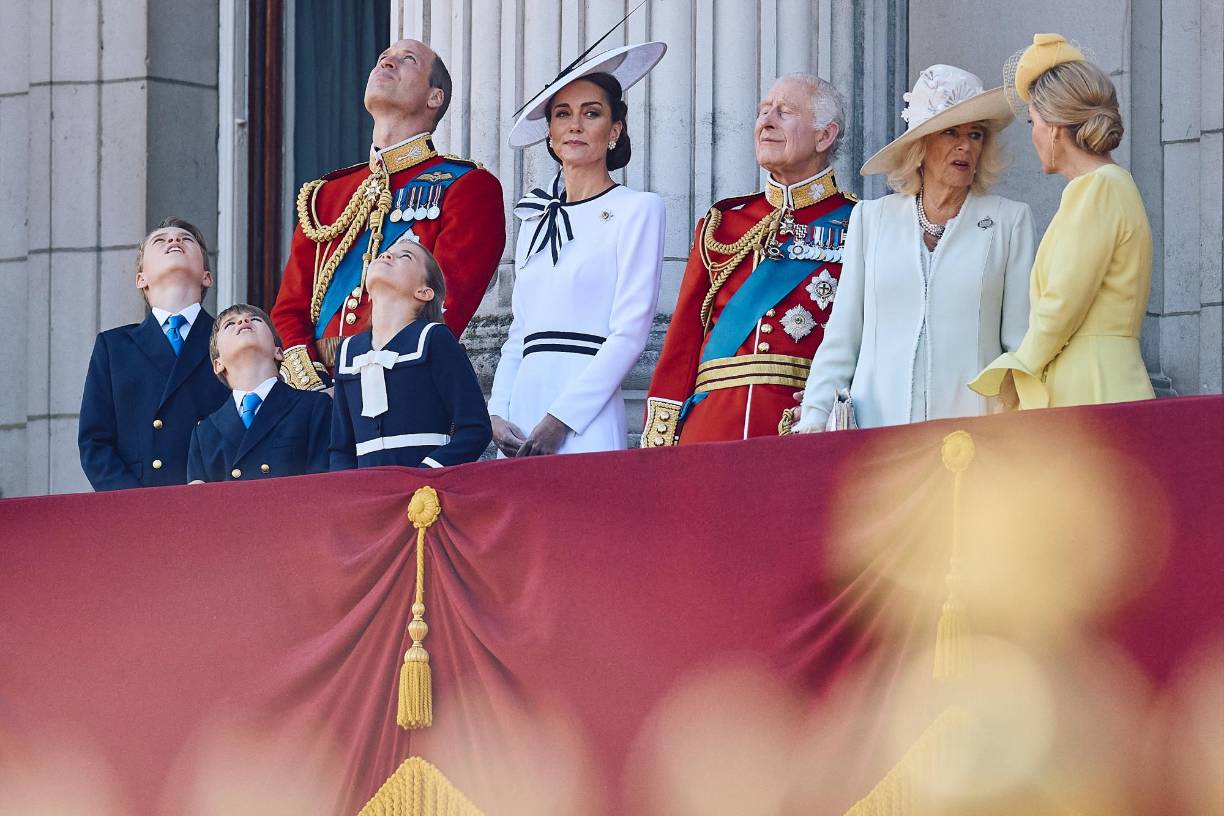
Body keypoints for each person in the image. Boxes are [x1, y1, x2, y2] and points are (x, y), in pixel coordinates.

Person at [792, 65, 1035, 431]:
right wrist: (813, 418)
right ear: (920, 145)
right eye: (949, 131)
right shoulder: (870, 219)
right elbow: (842, 339)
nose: (964, 145)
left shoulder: (1009, 221)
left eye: (975, 134)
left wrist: (1011, 429)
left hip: (973, 436)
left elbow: (1020, 345)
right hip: (876, 433)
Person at [271, 39, 506, 391]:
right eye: (382, 58)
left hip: (402, 387)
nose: (386, 63)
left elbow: (447, 305)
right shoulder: (326, 195)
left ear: (434, 97)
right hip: (316, 396)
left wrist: (374, 378)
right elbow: (290, 308)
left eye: (406, 59)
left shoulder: (467, 186)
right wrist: (313, 386)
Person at [642, 73, 858, 447]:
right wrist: (660, 441)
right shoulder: (723, 223)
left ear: (825, 136)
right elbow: (683, 342)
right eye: (763, 111)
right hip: (709, 431)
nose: (766, 121)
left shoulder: (860, 223)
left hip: (804, 427)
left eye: (785, 112)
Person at [489, 43, 667, 456]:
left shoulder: (638, 209)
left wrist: (563, 418)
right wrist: (497, 413)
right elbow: (519, 334)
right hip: (521, 414)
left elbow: (629, 335)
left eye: (592, 113)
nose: (575, 125)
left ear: (615, 130)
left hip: (586, 414)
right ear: (550, 135)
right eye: (563, 114)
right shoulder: (533, 218)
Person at [970, 34, 1155, 409]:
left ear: (1054, 128)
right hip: (1091, 381)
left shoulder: (1099, 189)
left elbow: (1061, 305)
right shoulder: (1101, 187)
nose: (1033, 134)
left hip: (1093, 387)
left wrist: (1018, 369)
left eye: (1032, 122)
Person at [78, 218, 230, 491]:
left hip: (214, 503)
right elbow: (95, 443)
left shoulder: (231, 339)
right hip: (141, 508)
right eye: (160, 240)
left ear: (207, 275)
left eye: (186, 239)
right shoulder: (113, 347)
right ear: (141, 279)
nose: (173, 241)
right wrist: (134, 503)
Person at [329, 235, 491, 470]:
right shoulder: (347, 352)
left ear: (424, 292)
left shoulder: (434, 339)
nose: (385, 255)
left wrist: (427, 474)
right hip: (367, 495)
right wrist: (352, 491)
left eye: (404, 256)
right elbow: (341, 447)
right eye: (385, 253)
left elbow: (475, 428)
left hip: (426, 495)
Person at [188, 304, 331, 482]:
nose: (243, 321)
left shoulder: (314, 407)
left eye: (254, 319)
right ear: (218, 364)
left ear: (278, 352)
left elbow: (324, 488)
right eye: (230, 324)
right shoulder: (204, 434)